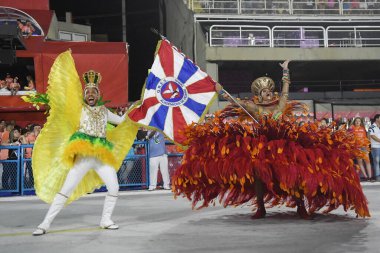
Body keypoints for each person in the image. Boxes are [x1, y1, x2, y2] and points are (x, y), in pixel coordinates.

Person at [172, 60, 369, 219]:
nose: (267, 93)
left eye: (268, 90)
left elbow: (285, 92)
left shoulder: (280, 105)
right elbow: (235, 102)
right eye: (263, 92)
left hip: (285, 147)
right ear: (258, 95)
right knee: (259, 176)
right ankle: (261, 208)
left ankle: (300, 206)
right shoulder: (254, 109)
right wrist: (221, 91)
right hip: (261, 146)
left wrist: (286, 72)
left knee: (294, 175)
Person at [32, 51, 138, 236]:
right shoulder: (78, 110)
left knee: (114, 187)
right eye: (87, 92)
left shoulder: (104, 111)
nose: (90, 94)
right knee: (66, 189)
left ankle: (106, 220)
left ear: (98, 94)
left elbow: (123, 122)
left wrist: (137, 109)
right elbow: (63, 105)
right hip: (82, 156)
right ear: (84, 95)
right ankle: (44, 224)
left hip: (101, 157)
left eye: (93, 92)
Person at [369, 114, 380, 180]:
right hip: (375, 147)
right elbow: (372, 136)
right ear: (377, 119)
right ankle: (377, 176)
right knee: (376, 161)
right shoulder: (372, 127)